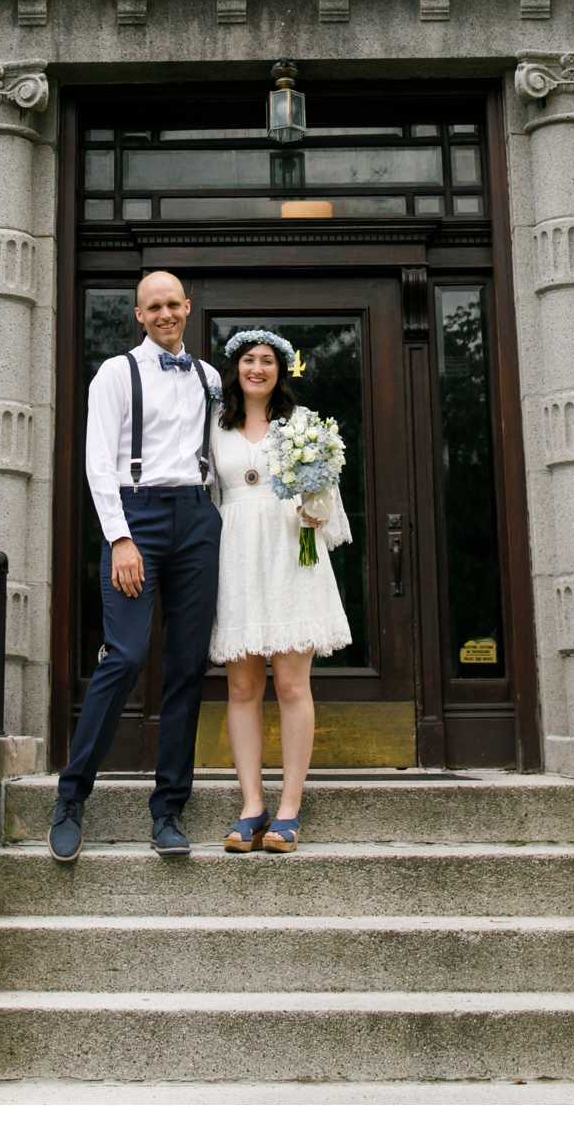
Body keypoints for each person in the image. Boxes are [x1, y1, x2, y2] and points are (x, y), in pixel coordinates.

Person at [50, 271, 222, 866]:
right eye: (155, 306)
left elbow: (220, 459)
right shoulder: (116, 374)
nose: (166, 313)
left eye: (174, 303)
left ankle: (169, 810)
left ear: (188, 307)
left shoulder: (210, 377)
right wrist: (121, 539)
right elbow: (99, 463)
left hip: (198, 520)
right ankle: (71, 797)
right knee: (124, 655)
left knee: (186, 666)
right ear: (139, 315)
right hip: (138, 517)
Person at [211, 329, 352, 855]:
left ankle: (289, 808)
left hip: (291, 555)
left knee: (292, 685)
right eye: (249, 359)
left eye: (267, 360)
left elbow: (325, 498)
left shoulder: (303, 423)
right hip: (236, 557)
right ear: (236, 368)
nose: (257, 368)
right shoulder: (215, 427)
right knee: (243, 687)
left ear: (280, 370)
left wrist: (314, 508)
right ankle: (252, 805)